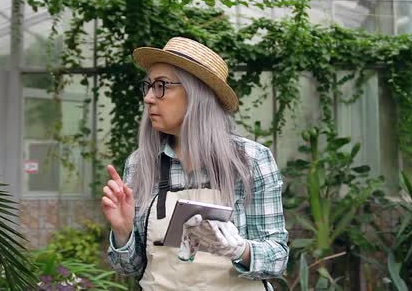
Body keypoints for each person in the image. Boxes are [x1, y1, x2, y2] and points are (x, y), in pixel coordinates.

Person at [102, 37, 289, 290]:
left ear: (196, 93)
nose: (148, 98)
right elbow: (131, 268)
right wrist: (123, 232)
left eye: (161, 86)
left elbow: (277, 258)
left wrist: (239, 249)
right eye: (147, 86)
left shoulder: (251, 160)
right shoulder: (140, 163)